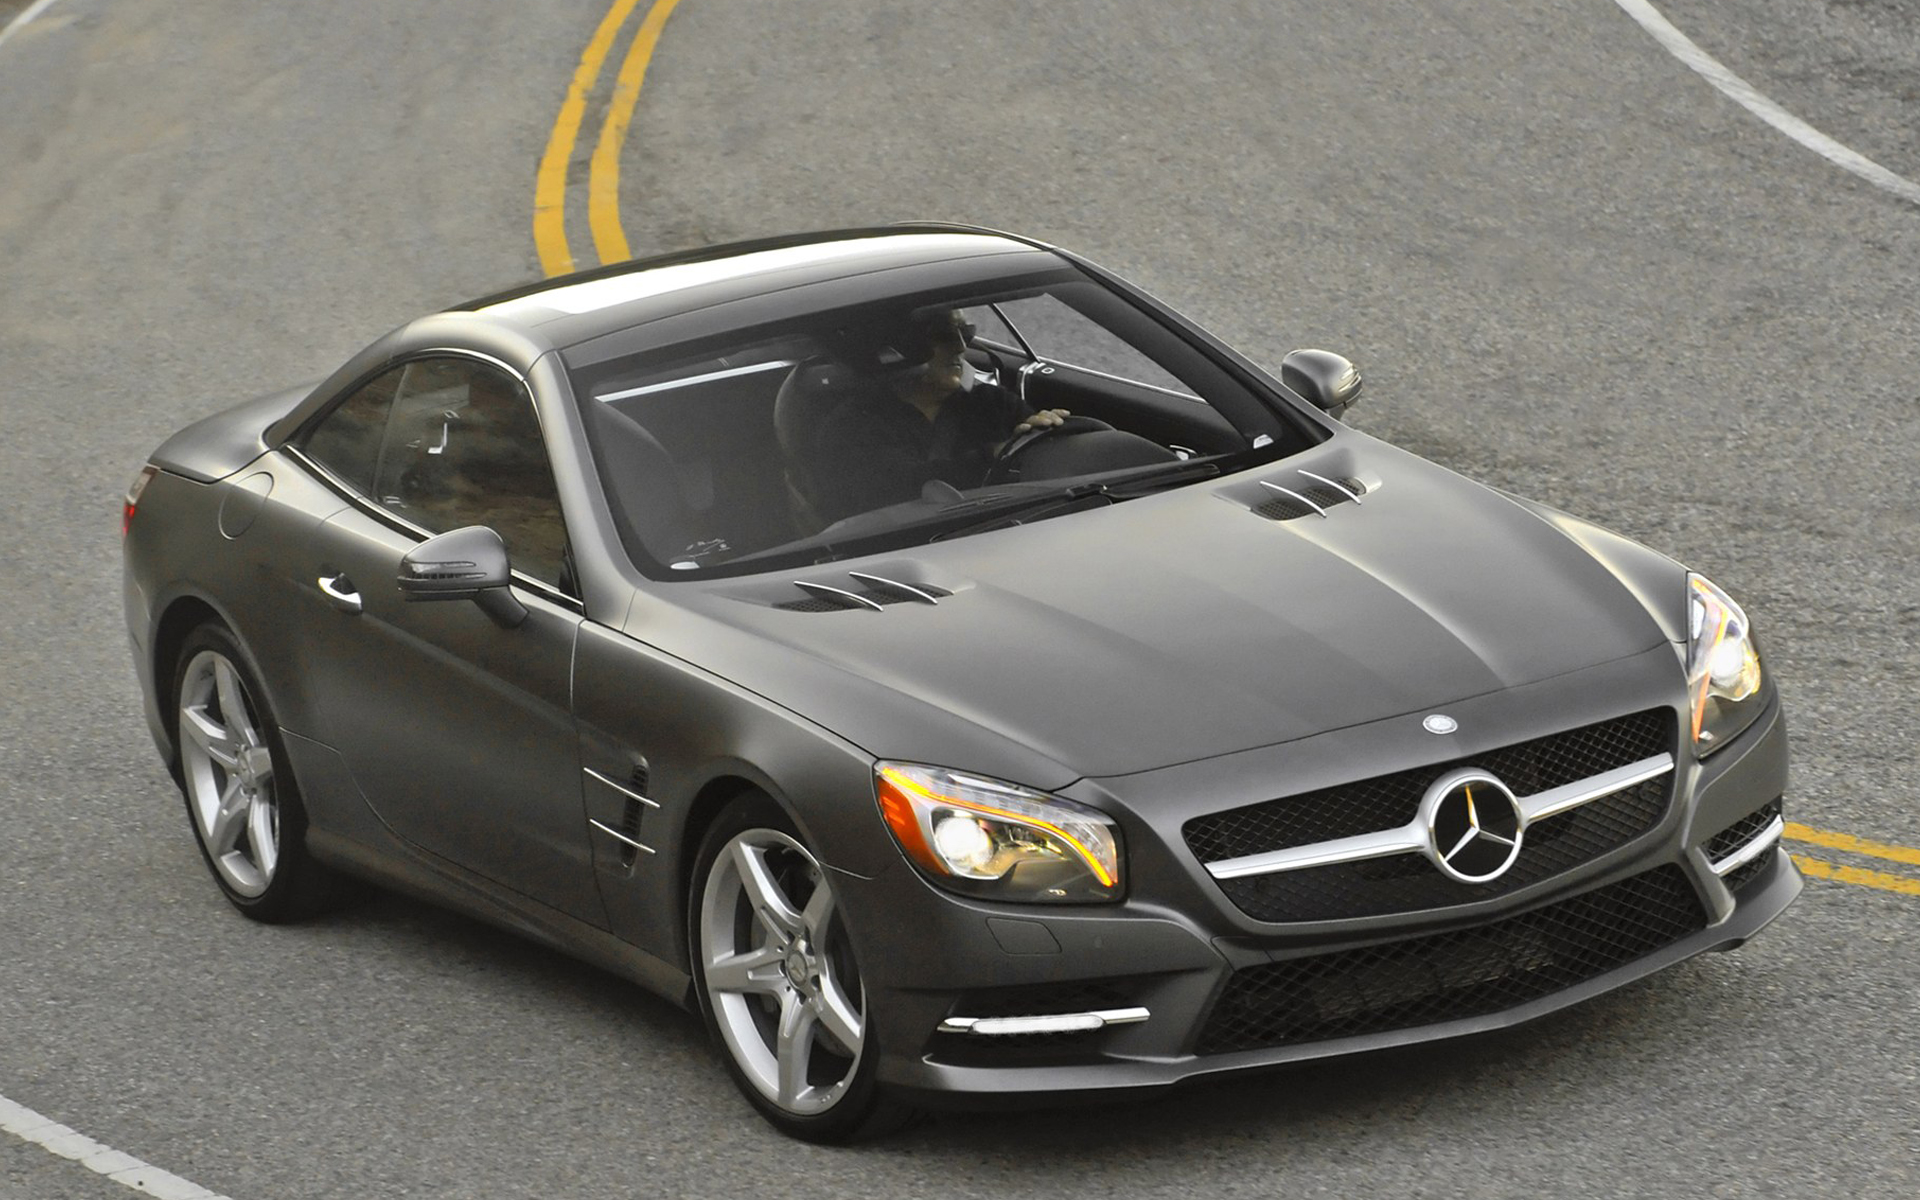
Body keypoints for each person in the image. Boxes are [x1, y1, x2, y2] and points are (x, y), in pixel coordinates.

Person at [807, 308, 1069, 522]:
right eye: (944, 336)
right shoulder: (851, 426)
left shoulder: (994, 403)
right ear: (897, 347)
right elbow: (897, 489)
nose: (961, 347)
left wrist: (1047, 435)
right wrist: (992, 455)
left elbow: (1045, 470)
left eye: (965, 333)